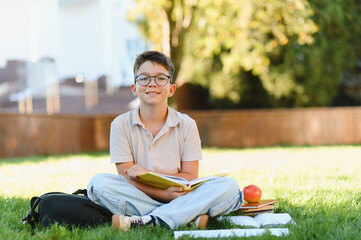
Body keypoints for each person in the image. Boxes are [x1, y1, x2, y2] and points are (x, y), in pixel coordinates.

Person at [87, 50, 243, 231]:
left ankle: (149, 220)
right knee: (98, 183)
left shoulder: (187, 124)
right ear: (134, 88)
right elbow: (126, 177)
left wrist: (151, 177)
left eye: (160, 78)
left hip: (180, 195)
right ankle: (184, 216)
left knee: (229, 186)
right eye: (144, 78)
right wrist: (163, 194)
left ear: (171, 89)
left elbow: (190, 177)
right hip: (139, 194)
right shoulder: (120, 125)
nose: (152, 84)